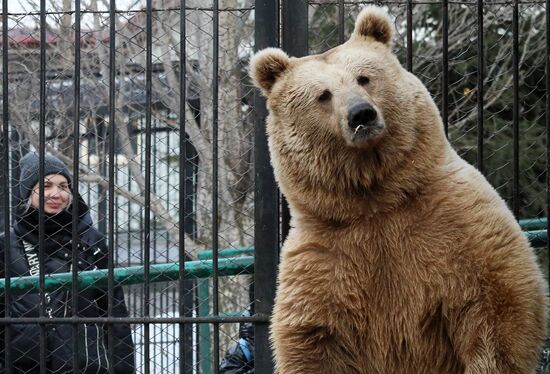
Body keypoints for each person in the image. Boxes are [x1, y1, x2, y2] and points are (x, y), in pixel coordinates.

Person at [0, 152, 135, 373]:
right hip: (22, 365)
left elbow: (114, 312)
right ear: (27, 191)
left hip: (83, 364)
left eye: (63, 186)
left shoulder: (92, 240)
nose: (56, 194)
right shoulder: (7, 245)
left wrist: (124, 368)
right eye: (45, 185)